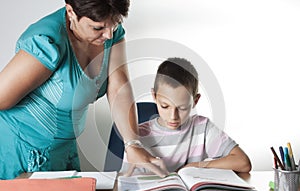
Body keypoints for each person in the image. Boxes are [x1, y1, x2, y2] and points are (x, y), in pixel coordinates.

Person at [0, 0, 168, 180]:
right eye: (98, 28)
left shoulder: (110, 31)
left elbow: (119, 86)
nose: (109, 34)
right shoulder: (46, 42)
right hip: (23, 150)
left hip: (65, 147)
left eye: (116, 23)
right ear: (71, 12)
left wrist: (132, 144)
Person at [122, 57, 252, 176]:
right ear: (154, 96)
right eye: (165, 106)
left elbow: (243, 162)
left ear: (195, 101)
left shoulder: (203, 127)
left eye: (182, 108)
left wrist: (197, 166)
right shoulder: (136, 136)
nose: (173, 116)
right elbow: (127, 180)